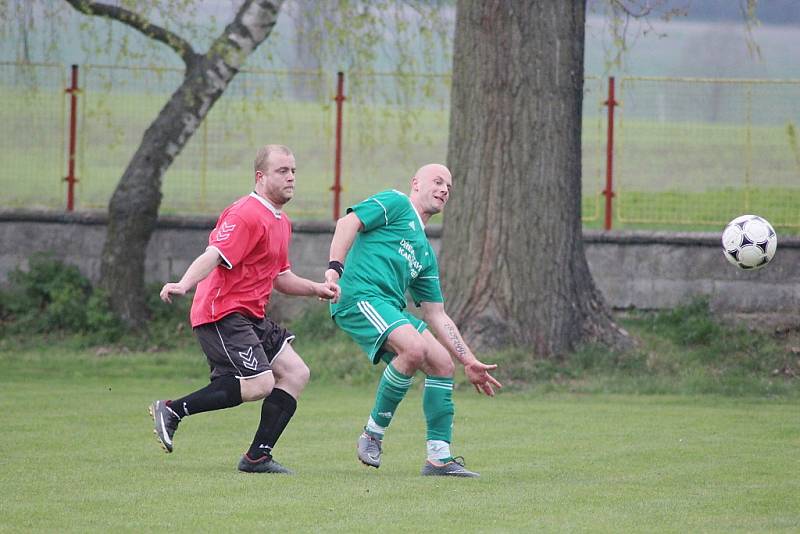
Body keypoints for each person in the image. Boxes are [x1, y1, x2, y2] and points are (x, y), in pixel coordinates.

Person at [151, 144, 338, 474]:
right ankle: (172, 410)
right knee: (259, 384)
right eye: (283, 171)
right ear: (260, 176)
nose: (291, 177)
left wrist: (316, 289)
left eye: (294, 171)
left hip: (252, 316)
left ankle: (257, 457)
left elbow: (281, 277)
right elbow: (213, 254)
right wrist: (184, 283)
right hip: (222, 312)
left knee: (296, 373)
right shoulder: (245, 213)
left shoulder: (281, 221)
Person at [325, 163, 502, 478]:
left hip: (388, 306)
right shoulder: (395, 203)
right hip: (358, 297)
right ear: (415, 183)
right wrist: (333, 271)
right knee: (414, 349)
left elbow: (436, 314)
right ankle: (372, 434)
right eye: (437, 181)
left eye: (448, 186)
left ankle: (439, 458)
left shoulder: (425, 253)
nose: (444, 189)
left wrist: (469, 360)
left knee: (442, 363)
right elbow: (347, 222)